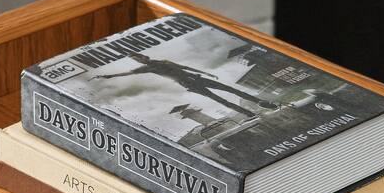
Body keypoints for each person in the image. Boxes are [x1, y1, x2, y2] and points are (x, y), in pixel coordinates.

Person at [93, 53, 276, 117]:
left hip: (196, 77)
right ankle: (249, 113)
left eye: (138, 57)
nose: (139, 60)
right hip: (188, 83)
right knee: (219, 99)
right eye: (135, 59)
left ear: (144, 56)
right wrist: (108, 75)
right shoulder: (144, 69)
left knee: (231, 89)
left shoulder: (163, 60)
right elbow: (126, 73)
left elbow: (184, 66)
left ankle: (261, 103)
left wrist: (206, 72)